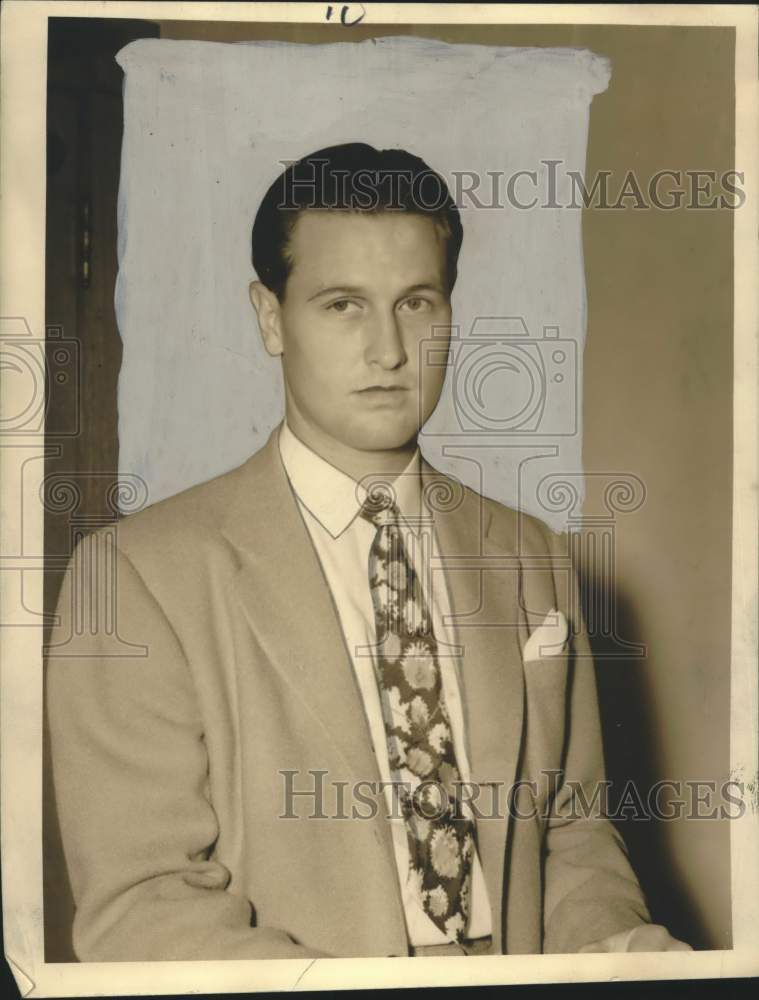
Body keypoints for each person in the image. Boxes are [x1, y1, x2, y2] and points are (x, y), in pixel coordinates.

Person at [46, 143, 690, 960]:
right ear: (270, 317)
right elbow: (143, 904)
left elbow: (570, 835)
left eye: (416, 303)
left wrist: (618, 943)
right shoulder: (134, 576)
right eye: (343, 305)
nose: (389, 351)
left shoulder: (531, 555)